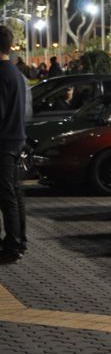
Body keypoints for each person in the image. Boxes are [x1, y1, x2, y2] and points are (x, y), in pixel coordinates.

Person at [0, 25, 27, 264]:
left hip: (4, 143)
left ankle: (12, 246)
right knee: (15, 194)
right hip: (17, 139)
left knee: (6, 196)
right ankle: (19, 241)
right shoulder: (16, 73)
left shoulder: (1, 74)